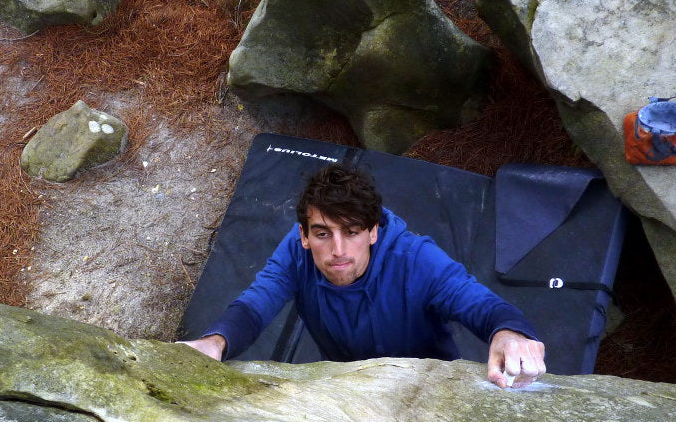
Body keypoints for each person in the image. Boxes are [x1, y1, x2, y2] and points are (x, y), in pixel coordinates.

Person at [183, 164, 546, 388]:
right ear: (304, 236)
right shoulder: (296, 252)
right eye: (323, 233)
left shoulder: (415, 259)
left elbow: (479, 303)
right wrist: (214, 343)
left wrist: (510, 334)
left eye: (352, 231)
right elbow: (257, 302)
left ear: (373, 231)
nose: (338, 250)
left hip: (424, 387)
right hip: (348, 382)